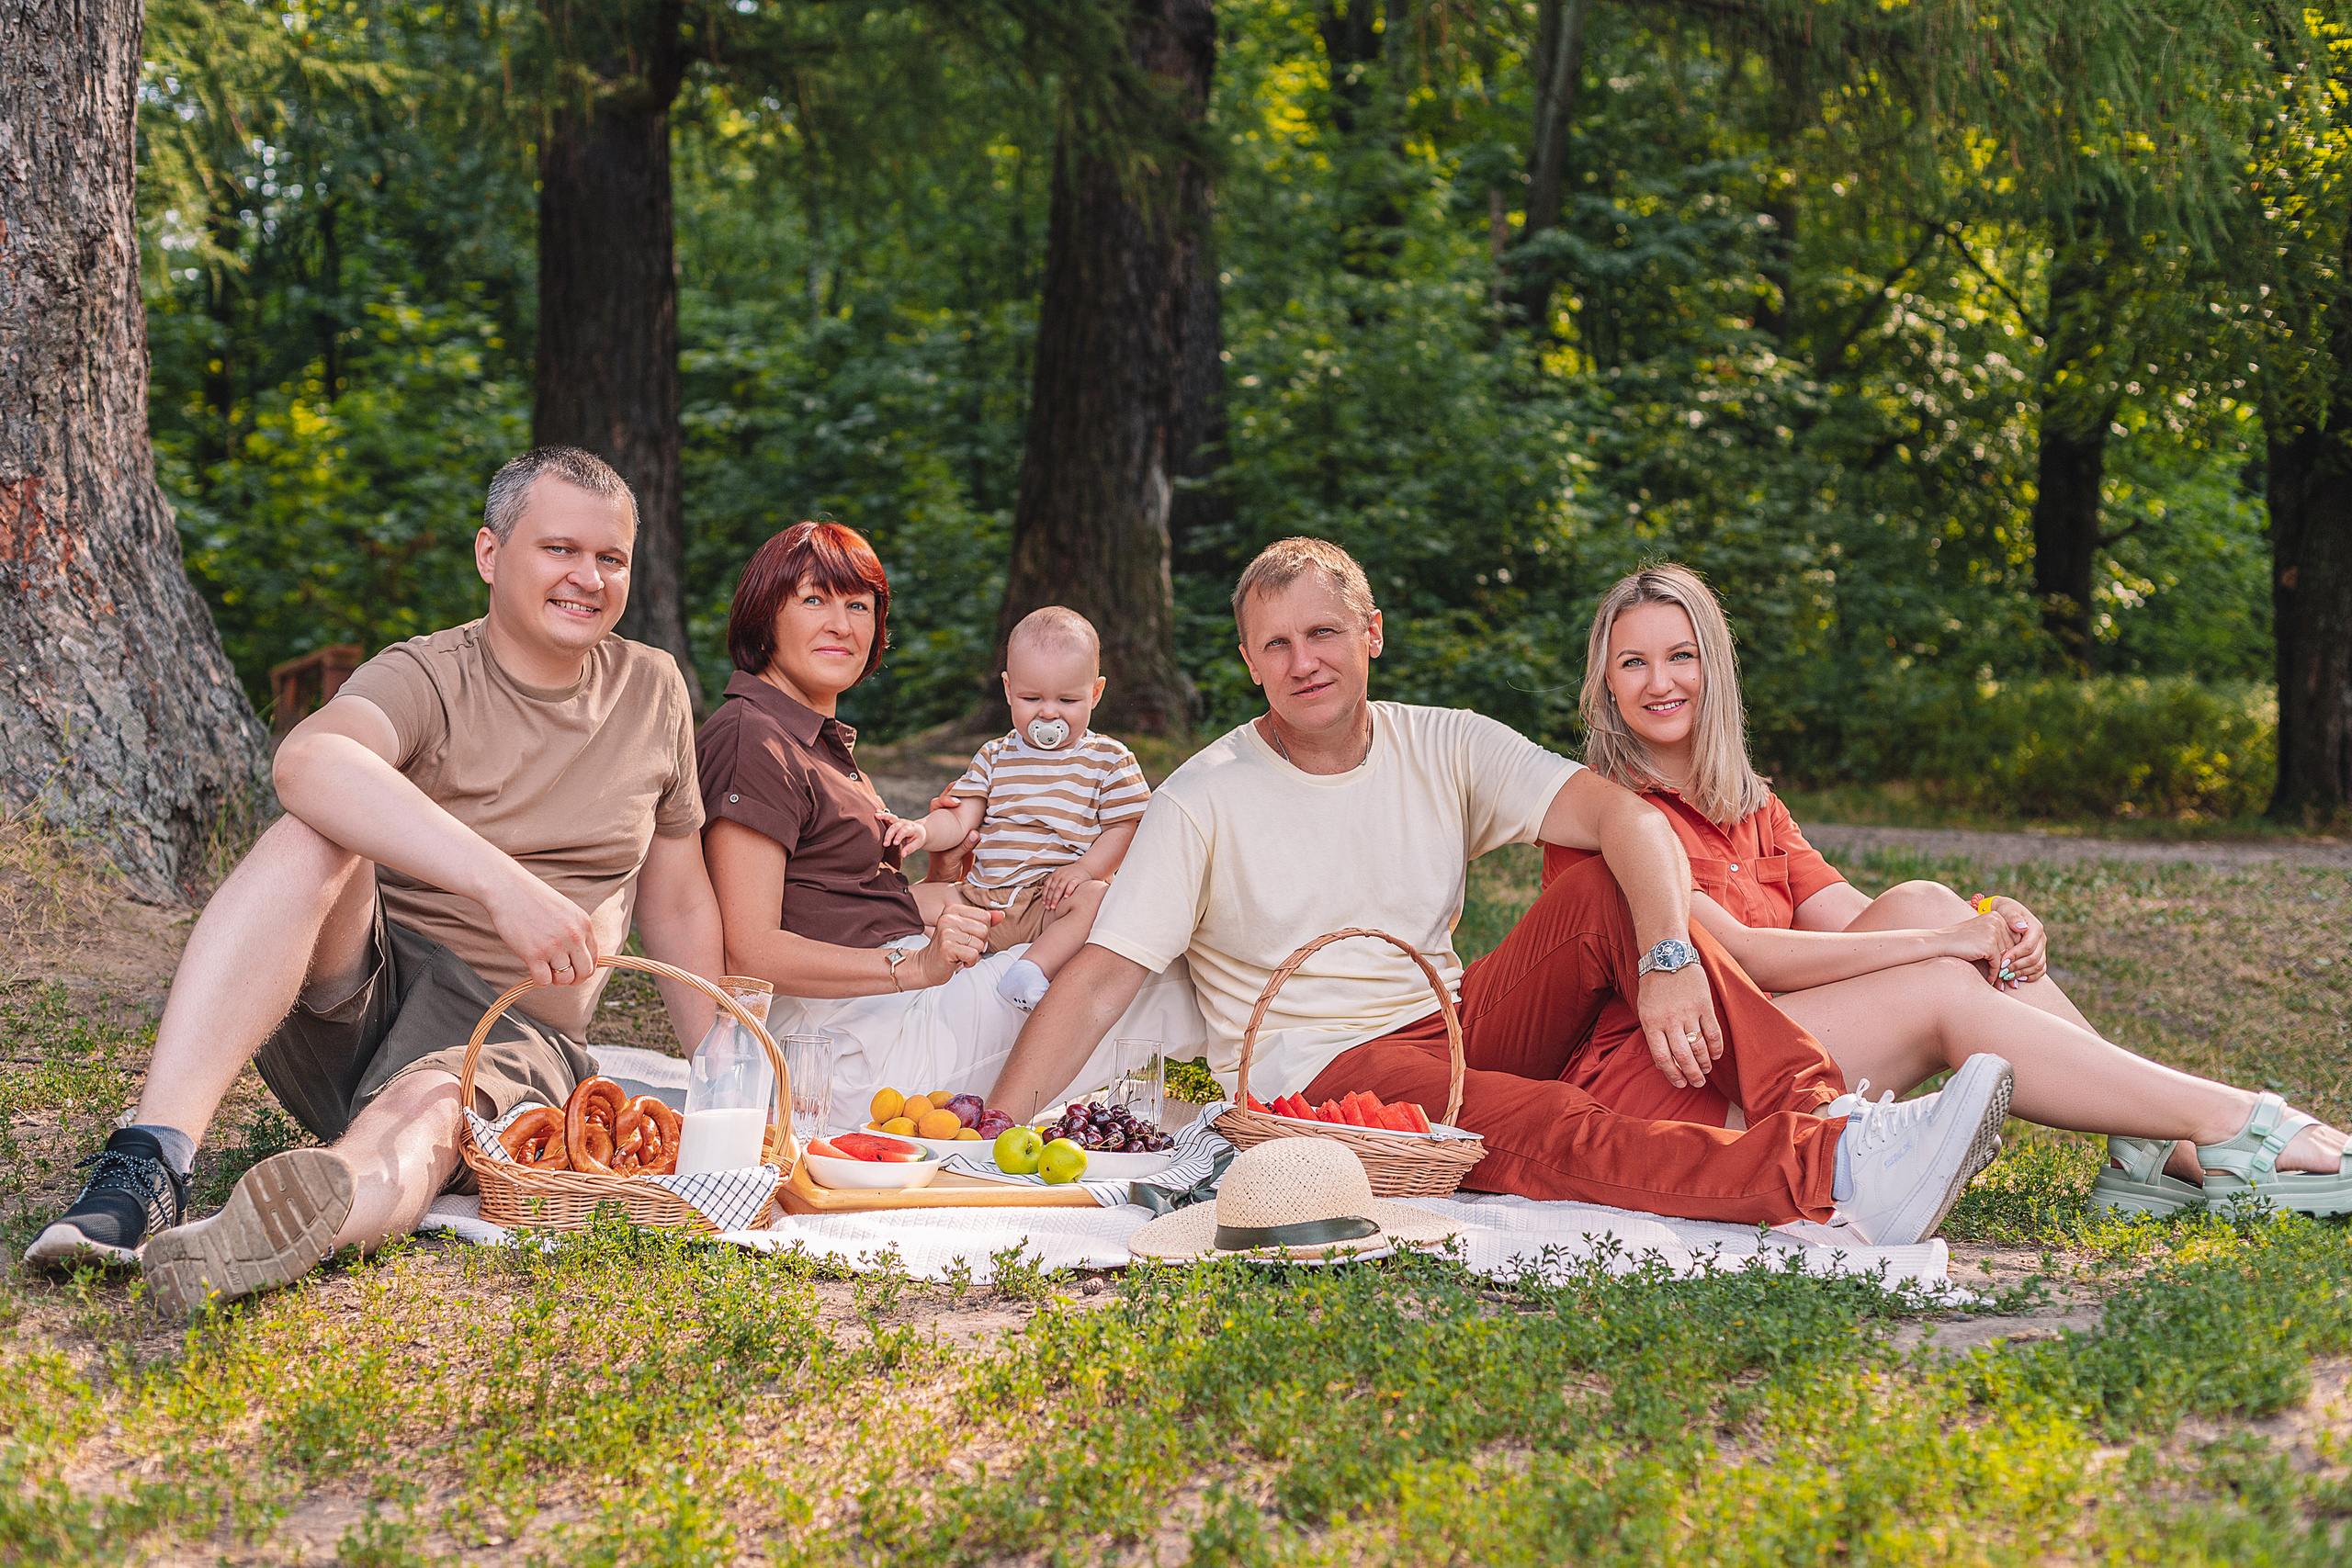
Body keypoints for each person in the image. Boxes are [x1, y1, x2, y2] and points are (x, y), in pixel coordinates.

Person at [987, 537, 2016, 1245]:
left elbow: (1629, 821)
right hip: (1325, 1069)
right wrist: (995, 1128)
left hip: (1455, 1018)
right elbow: (1101, 980)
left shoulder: (1443, 741)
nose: (1306, 662)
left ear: (1371, 633)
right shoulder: (1202, 797)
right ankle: (1829, 1177)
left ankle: (1827, 1116)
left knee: (1610, 886)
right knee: (1541, 1119)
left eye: (1324, 634)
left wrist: (1664, 958)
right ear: (1251, 663)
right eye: (1278, 645)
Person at [27, 447, 726, 1309]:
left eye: (610, 558)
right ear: (489, 553)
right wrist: (502, 886)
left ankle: (297, 1220)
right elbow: (309, 757)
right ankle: (150, 1160)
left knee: (430, 1111)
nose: (587, 576)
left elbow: (680, 895)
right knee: (316, 830)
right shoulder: (428, 671)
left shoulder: (652, 688)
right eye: (559, 550)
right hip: (362, 986)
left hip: (507, 1029)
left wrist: (726, 1069)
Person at [1556, 562, 2352, 1216]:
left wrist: (1982, 926)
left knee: (1931, 900)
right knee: (1939, 973)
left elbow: (1853, 927)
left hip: (1768, 1053)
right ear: (1608, 682)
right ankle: (2229, 1123)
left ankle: (2150, 1144)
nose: (1660, 681)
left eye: (1681, 655)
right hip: (1678, 1088)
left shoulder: (1749, 804)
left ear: (1714, 668)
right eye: (1634, 662)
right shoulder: (1603, 814)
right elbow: (1751, 959)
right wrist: (1947, 948)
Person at [697, 524, 1199, 1128]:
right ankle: (1001, 1138)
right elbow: (750, 948)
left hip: (888, 1016)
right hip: (851, 1049)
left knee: (1139, 937)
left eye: (859, 604)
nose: (842, 623)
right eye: (814, 599)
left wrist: (939, 878)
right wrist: (914, 968)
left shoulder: (812, 742)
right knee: (1160, 966)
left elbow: (830, 903)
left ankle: (1023, 1128)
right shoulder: (753, 734)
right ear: (764, 613)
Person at [883, 605, 1150, 1014]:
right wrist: (921, 830)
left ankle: (1030, 969)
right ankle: (928, 955)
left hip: (1050, 900)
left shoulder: (1108, 760)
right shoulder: (995, 756)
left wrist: (1083, 870)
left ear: (1094, 693)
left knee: (1098, 900)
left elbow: (1126, 829)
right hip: (981, 898)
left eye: (1067, 699)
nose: (1048, 713)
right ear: (1008, 690)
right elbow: (958, 817)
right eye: (1031, 698)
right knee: (896, 900)